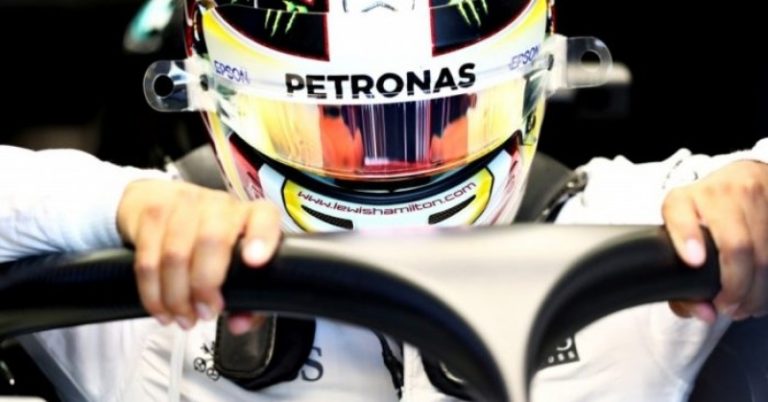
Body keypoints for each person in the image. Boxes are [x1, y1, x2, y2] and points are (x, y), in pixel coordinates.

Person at [3, 0, 768, 401]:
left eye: (442, 115)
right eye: (334, 123)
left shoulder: (661, 221)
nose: (387, 163)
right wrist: (122, 206)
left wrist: (756, 196)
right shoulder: (150, 272)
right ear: (211, 93)